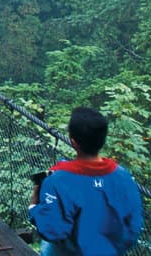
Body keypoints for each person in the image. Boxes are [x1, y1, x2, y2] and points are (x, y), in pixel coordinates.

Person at [30, 107, 144, 255]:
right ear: (103, 139)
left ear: (73, 142)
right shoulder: (123, 177)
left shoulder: (57, 180)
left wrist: (33, 206)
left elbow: (51, 230)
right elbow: (133, 228)